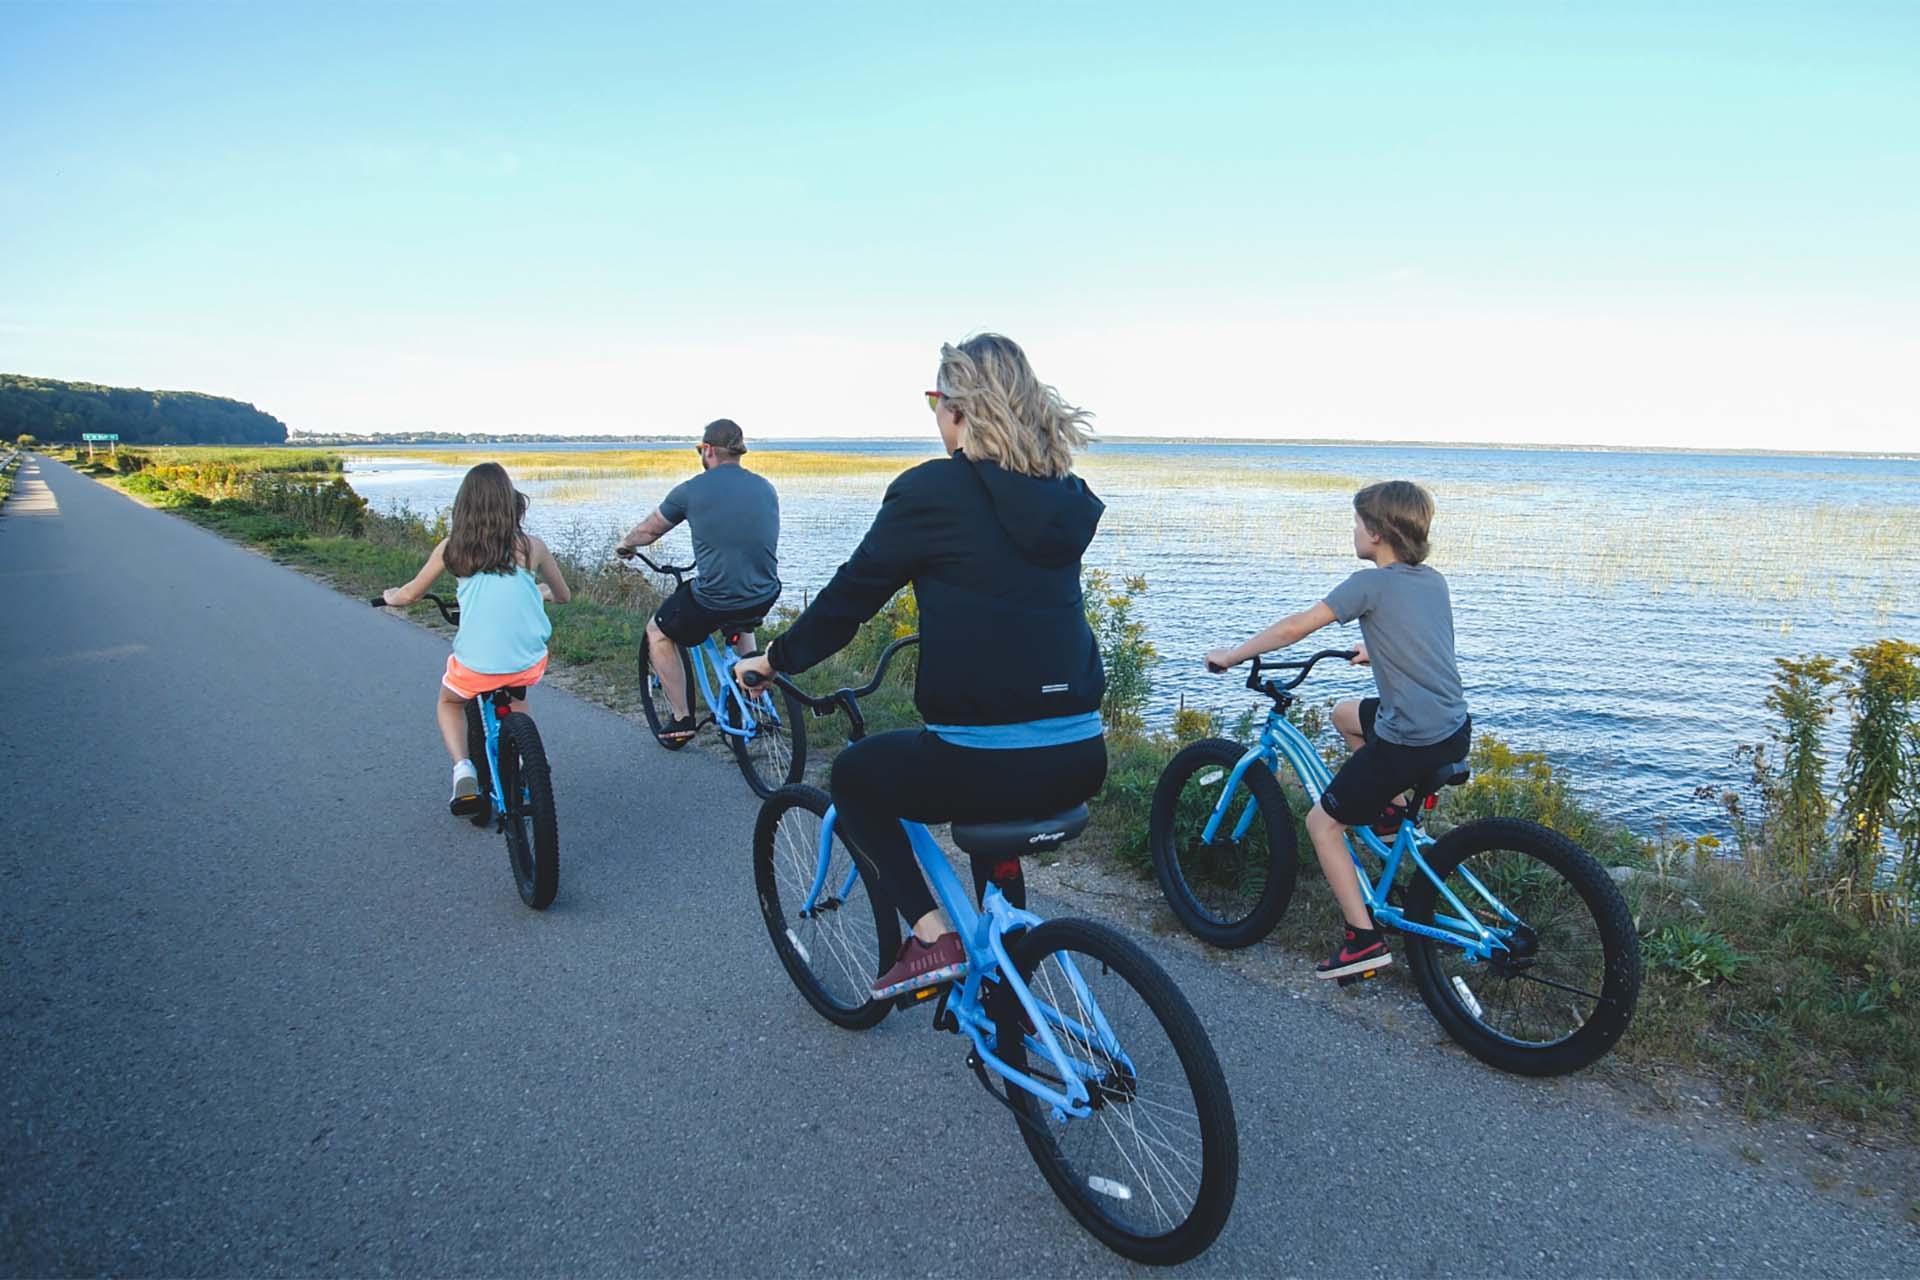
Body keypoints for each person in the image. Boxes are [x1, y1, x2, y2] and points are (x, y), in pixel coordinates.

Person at [734, 334, 1108, 1000]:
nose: (934, 416)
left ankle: (933, 937)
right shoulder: (1064, 495)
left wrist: (774, 659)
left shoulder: (932, 492)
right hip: (1081, 750)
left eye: (936, 401)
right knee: (993, 801)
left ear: (962, 410)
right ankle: (1010, 981)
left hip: (984, 762)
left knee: (856, 775)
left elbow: (850, 599)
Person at [1202, 481, 1469, 980]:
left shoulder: (1366, 584)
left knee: (1321, 825)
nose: (1353, 531)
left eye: (1356, 523)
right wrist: (1380, 647)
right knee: (1345, 714)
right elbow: (1428, 640)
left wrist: (1233, 654)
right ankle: (1386, 813)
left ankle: (1363, 940)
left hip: (1408, 741)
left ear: (1375, 532)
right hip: (1452, 729)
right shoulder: (1432, 580)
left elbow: (1294, 629)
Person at [382, 462, 572, 814]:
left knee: (450, 702)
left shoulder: (452, 548)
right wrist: (541, 593)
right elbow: (563, 595)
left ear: (464, 506)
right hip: (527, 660)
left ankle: (463, 769)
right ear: (509, 503)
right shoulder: (532, 547)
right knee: (515, 696)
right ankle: (529, 763)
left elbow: (410, 594)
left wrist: (392, 596)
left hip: (476, 664)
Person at [616, 419, 781, 748]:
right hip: (765, 591)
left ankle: (681, 718)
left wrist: (626, 545)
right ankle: (754, 695)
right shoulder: (765, 487)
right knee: (740, 618)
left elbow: (649, 530)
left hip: (716, 598)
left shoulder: (691, 489)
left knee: (658, 632)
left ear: (707, 450)